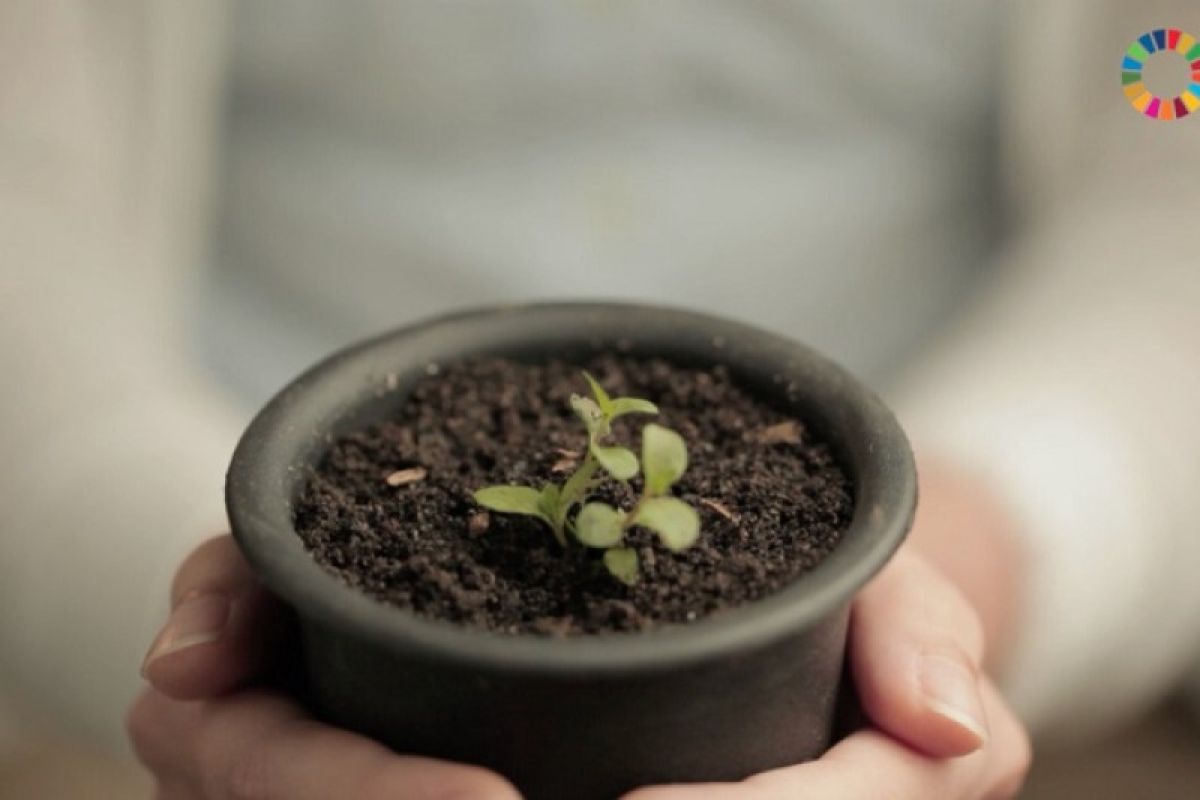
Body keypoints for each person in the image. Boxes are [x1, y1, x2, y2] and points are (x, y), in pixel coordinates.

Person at [3, 1, 1199, 798]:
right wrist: (165, 563)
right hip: (196, 489)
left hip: (961, 467)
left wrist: (973, 560)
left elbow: (1178, 160)